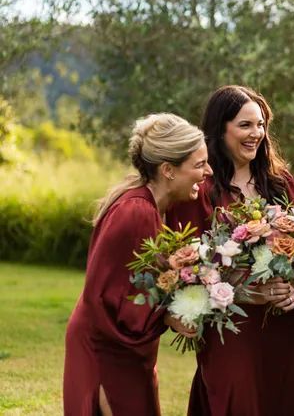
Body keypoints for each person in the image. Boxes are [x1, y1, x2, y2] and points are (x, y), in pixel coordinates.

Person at [166, 85, 294, 416]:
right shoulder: (200, 190)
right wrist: (247, 293)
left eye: (260, 125)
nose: (256, 133)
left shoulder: (281, 183)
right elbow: (185, 267)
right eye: (245, 125)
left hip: (285, 329)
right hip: (231, 332)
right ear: (220, 128)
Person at [63, 113, 212, 415]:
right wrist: (172, 316)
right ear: (168, 170)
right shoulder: (136, 211)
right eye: (199, 165)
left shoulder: (153, 206)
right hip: (107, 350)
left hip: (124, 350)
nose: (207, 172)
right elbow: (112, 298)